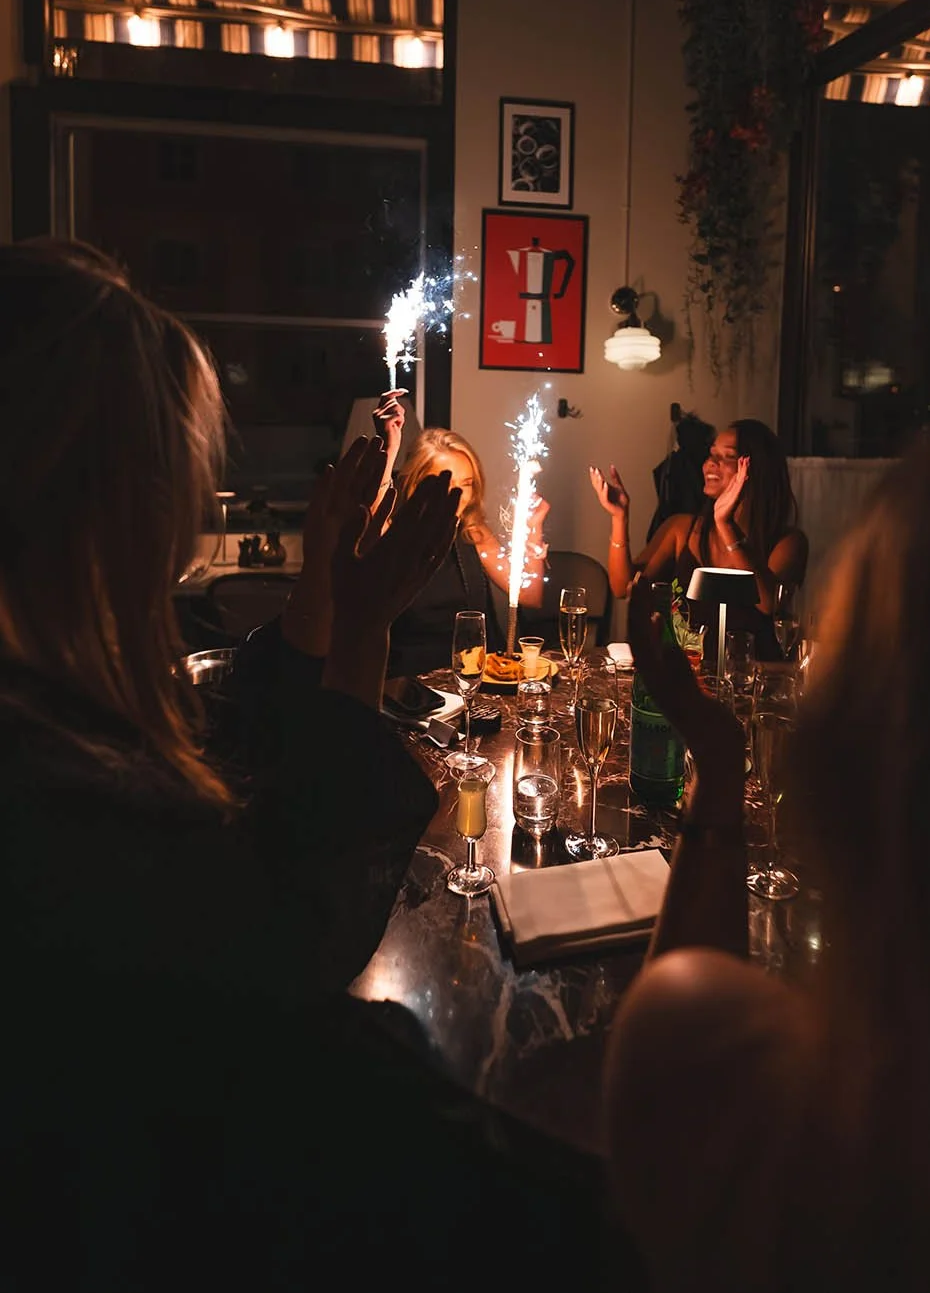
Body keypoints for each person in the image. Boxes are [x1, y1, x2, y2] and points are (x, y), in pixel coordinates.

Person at [0, 241, 633, 1290]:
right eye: (178, 475)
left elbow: (229, 731)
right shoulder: (54, 796)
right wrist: (365, 628)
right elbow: (293, 939)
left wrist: (322, 597)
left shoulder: (62, 705)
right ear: (90, 495)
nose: (197, 521)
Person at [601, 358, 930, 1293]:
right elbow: (630, 583)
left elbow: (771, 613)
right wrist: (623, 525)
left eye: (731, 457)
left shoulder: (766, 1105)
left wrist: (721, 765)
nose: (713, 466)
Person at [590, 417, 807, 660]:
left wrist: (725, 526)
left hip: (751, 682)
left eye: (727, 457)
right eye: (711, 454)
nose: (710, 463)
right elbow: (624, 587)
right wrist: (620, 518)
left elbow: (769, 605)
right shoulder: (682, 529)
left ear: (756, 470)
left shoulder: (788, 542)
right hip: (688, 678)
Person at [373, 399, 550, 676]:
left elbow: (530, 595)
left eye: (466, 484)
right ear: (415, 482)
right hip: (413, 682)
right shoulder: (392, 533)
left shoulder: (473, 532)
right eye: (447, 482)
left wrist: (534, 527)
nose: (459, 495)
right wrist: (389, 449)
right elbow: (373, 517)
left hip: (479, 677)